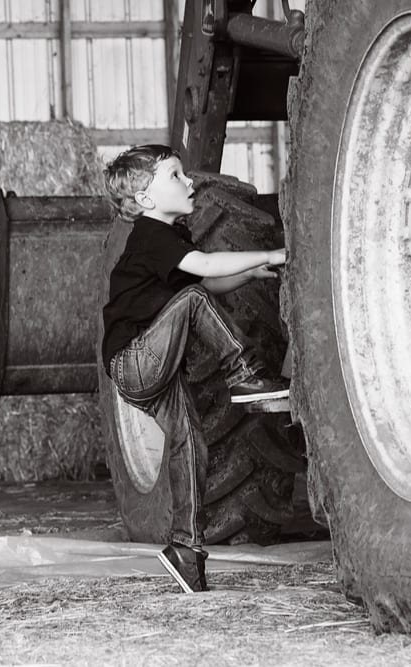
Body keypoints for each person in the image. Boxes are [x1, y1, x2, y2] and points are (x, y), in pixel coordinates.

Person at [101, 144, 289, 594]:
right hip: (135, 360)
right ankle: (244, 373)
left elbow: (207, 277)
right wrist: (271, 255)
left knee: (192, 444)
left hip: (148, 370)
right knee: (191, 302)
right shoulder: (150, 236)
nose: (189, 183)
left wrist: (248, 274)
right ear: (145, 198)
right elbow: (201, 276)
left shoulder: (170, 237)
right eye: (175, 176)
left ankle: (186, 551)